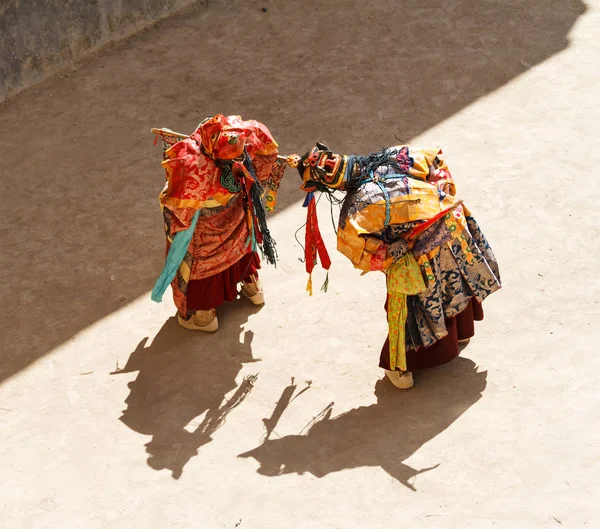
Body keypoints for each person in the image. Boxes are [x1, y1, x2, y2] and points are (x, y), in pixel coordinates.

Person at [295, 143, 501, 389]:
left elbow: (434, 160)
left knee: (433, 297)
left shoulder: (374, 181)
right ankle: (432, 347)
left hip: (434, 243)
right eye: (323, 169)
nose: (328, 168)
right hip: (435, 244)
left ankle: (425, 352)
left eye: (325, 163)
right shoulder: (383, 171)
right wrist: (395, 249)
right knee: (434, 296)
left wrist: (441, 191)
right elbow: (435, 159)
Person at [150, 115, 286, 331]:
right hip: (239, 216)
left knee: (200, 260)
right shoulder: (249, 145)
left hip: (207, 236)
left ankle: (205, 316)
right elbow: (268, 153)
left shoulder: (195, 166)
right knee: (242, 243)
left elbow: (179, 210)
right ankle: (252, 288)